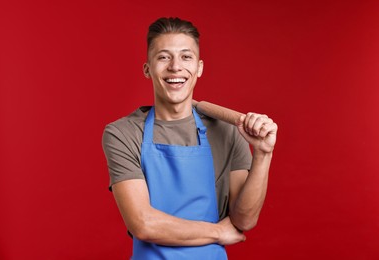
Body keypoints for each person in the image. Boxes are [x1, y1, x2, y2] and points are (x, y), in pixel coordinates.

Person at [102, 17, 278, 259]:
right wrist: (218, 232)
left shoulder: (228, 131)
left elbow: (244, 220)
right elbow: (142, 223)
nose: (176, 66)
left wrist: (263, 153)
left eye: (186, 57)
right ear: (147, 68)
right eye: (164, 57)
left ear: (199, 67)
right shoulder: (123, 133)